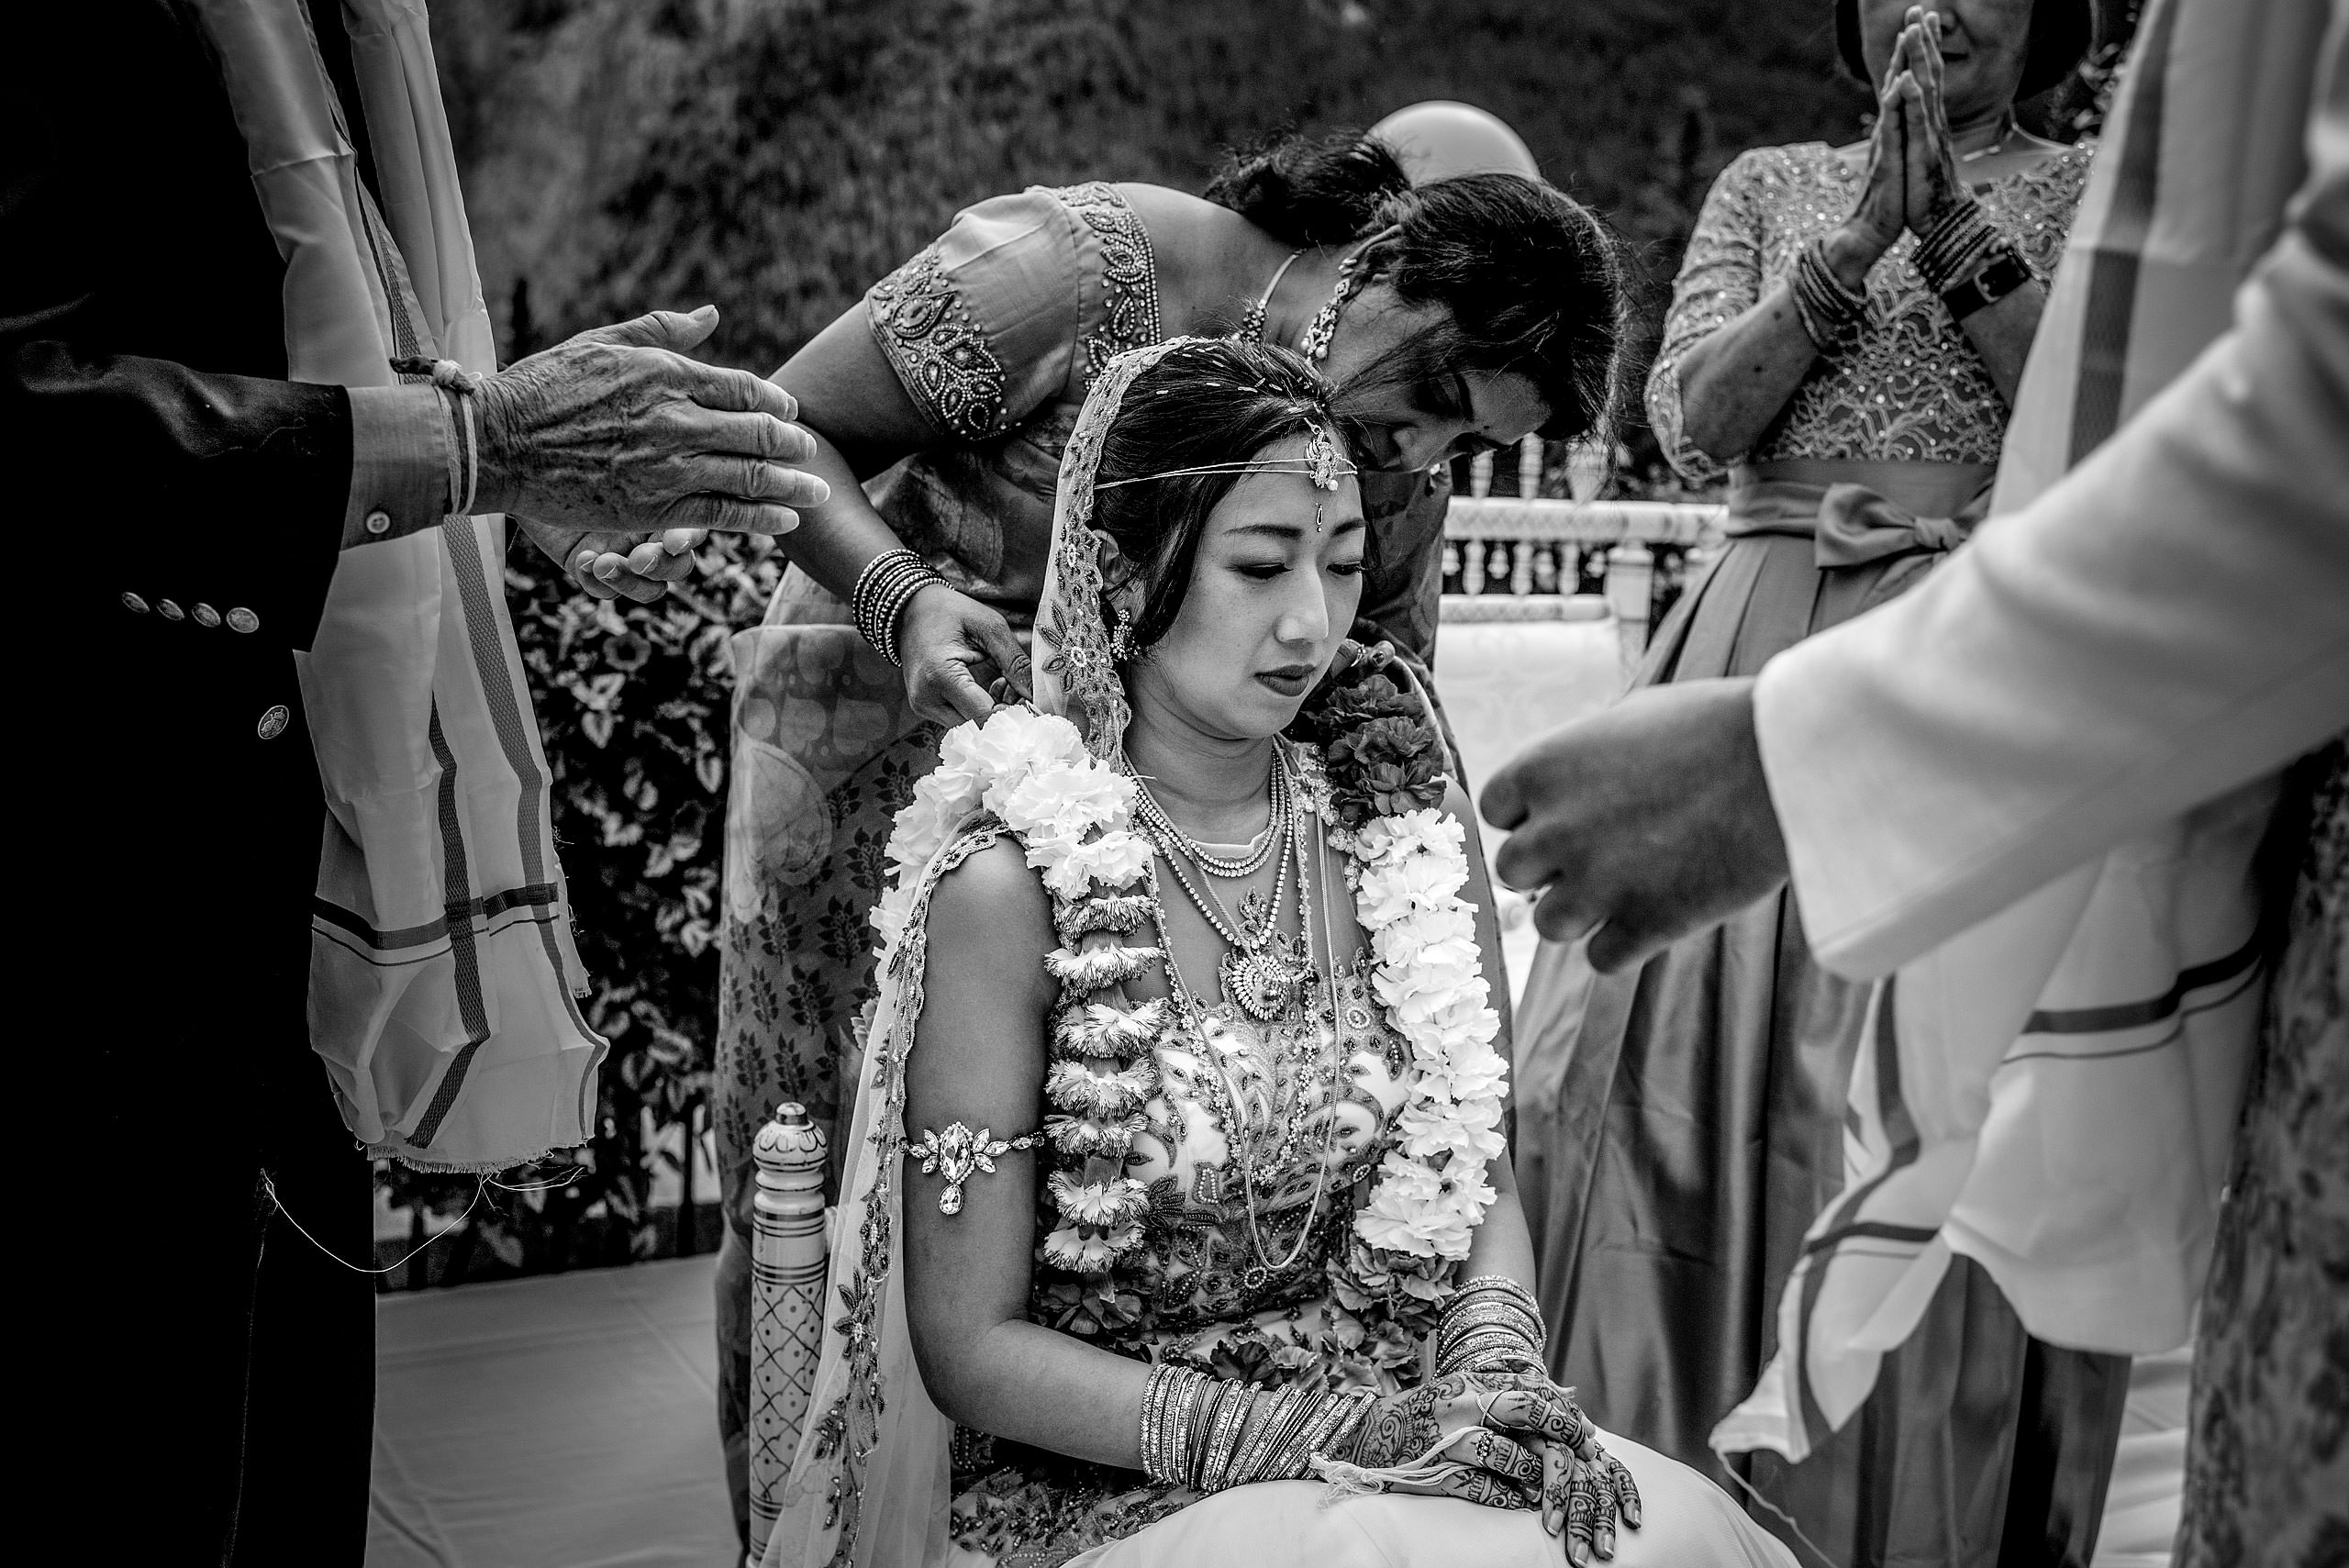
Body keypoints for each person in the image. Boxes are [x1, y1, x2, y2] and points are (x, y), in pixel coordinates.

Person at [1481, 0, 2348, 1561]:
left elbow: (2129, 433)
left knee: (1945, 1090)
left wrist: (1958, 239)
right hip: (1749, 649)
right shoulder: (1763, 184)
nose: (1934, 4)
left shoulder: (2095, 182)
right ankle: (1654, 1492)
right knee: (1663, 1078)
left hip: (1983, 647)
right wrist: (1857, 237)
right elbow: (1692, 427)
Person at [712, 128, 1629, 1533]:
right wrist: (898, 592)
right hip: (880, 726)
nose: (1424, 454)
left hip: (1191, 828)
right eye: (1436, 391)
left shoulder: (1388, 470)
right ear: (1384, 261)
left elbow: (1375, 739)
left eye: (1473, 441)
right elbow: (782, 427)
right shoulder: (1084, 266)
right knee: (819, 1199)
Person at [759, 336, 1796, 1568]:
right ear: (1118, 570)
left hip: (1410, 1439)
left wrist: (1497, 1375)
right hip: (1118, 1486)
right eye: (1259, 565)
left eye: (1345, 563)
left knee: (1661, 1540)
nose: (1312, 621)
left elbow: (1476, 1175)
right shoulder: (1011, 881)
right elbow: (971, 1348)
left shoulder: (1398, 819)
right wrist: (1326, 1430)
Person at [5, 3, 823, 1560]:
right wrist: (471, 448)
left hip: (304, 895)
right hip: (82, 910)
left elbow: (334, 343)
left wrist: (517, 497)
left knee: (290, 1473)